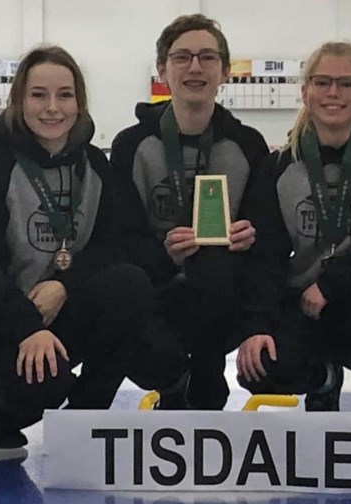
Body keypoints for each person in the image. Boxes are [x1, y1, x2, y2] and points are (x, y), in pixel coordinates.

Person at [0, 46, 175, 448]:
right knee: (43, 390)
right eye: (39, 95)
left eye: (65, 95)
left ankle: (85, 421)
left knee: (130, 284)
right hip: (4, 321)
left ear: (80, 102)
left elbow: (116, 246)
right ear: (19, 101)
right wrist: (25, 324)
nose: (52, 108)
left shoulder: (95, 165)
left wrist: (65, 284)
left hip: (59, 309)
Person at [234, 42, 351, 454]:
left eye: (346, 83)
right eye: (322, 82)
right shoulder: (281, 165)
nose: (333, 93)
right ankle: (322, 380)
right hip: (303, 301)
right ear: (305, 92)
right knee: (259, 368)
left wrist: (336, 282)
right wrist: (257, 326)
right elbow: (265, 255)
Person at [110, 14, 269, 410]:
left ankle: (207, 383)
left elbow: (269, 234)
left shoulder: (248, 145)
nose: (195, 67)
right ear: (162, 68)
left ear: (225, 71)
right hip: (156, 292)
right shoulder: (131, 145)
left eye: (207, 57)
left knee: (214, 262)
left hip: (221, 298)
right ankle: (172, 379)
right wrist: (164, 253)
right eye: (182, 57)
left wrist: (251, 235)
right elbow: (118, 237)